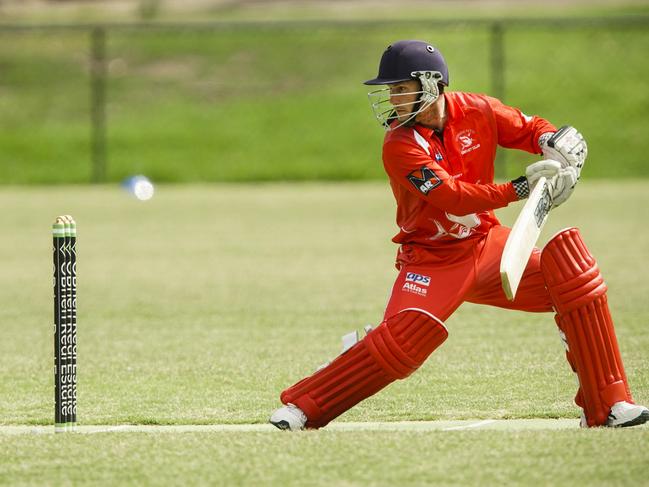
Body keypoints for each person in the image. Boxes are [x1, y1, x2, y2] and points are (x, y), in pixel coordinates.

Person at [269, 40, 648, 430]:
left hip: (486, 246)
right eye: (391, 90)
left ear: (431, 84)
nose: (393, 98)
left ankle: (609, 405)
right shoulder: (398, 146)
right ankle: (303, 406)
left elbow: (528, 128)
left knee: (573, 279)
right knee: (401, 343)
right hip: (432, 260)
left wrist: (550, 142)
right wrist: (520, 188)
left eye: (400, 88)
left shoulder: (477, 109)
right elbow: (453, 197)